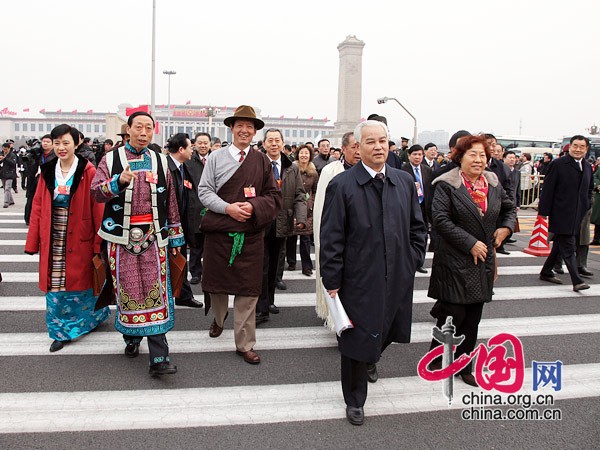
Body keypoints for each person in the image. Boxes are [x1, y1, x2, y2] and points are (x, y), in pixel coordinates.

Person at [320, 120, 427, 426]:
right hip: (358, 278)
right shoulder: (342, 185)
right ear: (358, 146)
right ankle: (354, 400)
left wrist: (413, 258)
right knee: (355, 339)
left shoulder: (403, 181)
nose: (379, 147)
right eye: (370, 142)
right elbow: (332, 237)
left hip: (396, 274)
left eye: (383, 141)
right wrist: (332, 280)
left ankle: (371, 355)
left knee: (388, 327)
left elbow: (418, 228)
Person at [91, 111, 183, 377]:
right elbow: (96, 193)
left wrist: (175, 237)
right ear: (128, 129)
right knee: (129, 294)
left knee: (157, 295)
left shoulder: (161, 161)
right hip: (121, 239)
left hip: (154, 239)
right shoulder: (110, 159)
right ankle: (131, 338)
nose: (144, 132)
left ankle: (159, 357)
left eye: (149, 128)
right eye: (138, 127)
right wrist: (117, 182)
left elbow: (171, 200)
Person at [427, 134, 516, 387]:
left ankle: (465, 365)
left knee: (473, 315)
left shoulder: (492, 183)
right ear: (460, 157)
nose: (479, 160)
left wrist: (505, 229)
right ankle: (437, 355)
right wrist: (470, 243)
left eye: (483, 155)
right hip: (454, 258)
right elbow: (440, 220)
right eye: (473, 155)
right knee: (453, 312)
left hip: (483, 259)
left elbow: (509, 209)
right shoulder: (447, 184)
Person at [198, 105, 282, 365]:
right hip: (221, 233)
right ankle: (219, 318)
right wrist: (228, 208)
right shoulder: (215, 157)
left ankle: (245, 343)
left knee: (248, 290)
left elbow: (273, 197)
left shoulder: (262, 161)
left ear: (255, 132)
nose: (245, 130)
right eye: (240, 126)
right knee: (219, 286)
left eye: (250, 126)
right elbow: (204, 191)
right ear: (232, 129)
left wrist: (253, 206)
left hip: (250, 234)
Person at [25, 124, 110, 352]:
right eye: (57, 143)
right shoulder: (47, 170)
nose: (61, 148)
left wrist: (97, 244)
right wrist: (33, 241)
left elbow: (98, 208)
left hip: (80, 235)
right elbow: (38, 207)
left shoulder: (88, 171)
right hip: (53, 235)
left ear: (76, 143)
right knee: (55, 285)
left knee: (81, 283)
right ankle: (60, 331)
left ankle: (90, 319)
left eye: (66, 143)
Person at [256, 128, 306, 324]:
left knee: (275, 266)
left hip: (282, 221)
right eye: (270, 140)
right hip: (261, 222)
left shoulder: (291, 168)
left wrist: (300, 217)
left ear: (283, 143)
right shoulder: (256, 164)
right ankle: (260, 308)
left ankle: (269, 301)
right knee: (262, 266)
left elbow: (300, 194)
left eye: (277, 140)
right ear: (265, 144)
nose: (274, 144)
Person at [314, 131, 360, 328]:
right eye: (354, 147)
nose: (358, 151)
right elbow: (321, 209)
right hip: (338, 234)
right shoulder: (331, 171)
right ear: (343, 149)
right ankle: (337, 320)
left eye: (361, 146)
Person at [538, 135, 594, 291]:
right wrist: (543, 211)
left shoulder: (587, 166)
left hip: (578, 214)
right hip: (560, 212)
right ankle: (577, 281)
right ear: (570, 146)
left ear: (586, 149)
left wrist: (587, 203)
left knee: (560, 244)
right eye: (575, 146)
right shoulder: (558, 164)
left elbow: (589, 189)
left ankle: (546, 271)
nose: (578, 149)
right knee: (569, 246)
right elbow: (548, 189)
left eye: (581, 146)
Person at [166, 133, 203, 308]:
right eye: (190, 147)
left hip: (183, 222)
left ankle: (182, 294)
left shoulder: (183, 167)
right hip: (167, 225)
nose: (192, 150)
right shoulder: (165, 167)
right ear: (181, 149)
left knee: (180, 258)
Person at [401, 144, 433, 274]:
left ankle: (419, 262)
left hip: (423, 207)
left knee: (423, 235)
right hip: (409, 207)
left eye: (420, 154)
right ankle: (407, 261)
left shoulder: (427, 170)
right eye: (414, 154)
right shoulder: (403, 170)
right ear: (409, 156)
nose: (417, 157)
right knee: (408, 235)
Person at [290, 144, 319, 276]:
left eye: (306, 153)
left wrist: (311, 201)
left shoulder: (313, 172)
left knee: (306, 238)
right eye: (302, 153)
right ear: (298, 155)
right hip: (292, 205)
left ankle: (306, 267)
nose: (304, 155)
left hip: (308, 208)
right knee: (290, 236)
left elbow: (315, 190)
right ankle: (291, 262)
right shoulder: (291, 169)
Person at [187, 132, 211, 285]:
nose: (203, 146)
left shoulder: (216, 160)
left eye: (205, 143)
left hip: (213, 208)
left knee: (211, 245)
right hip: (195, 208)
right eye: (200, 143)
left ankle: (210, 272)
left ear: (210, 144)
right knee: (195, 245)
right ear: (195, 144)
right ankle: (195, 272)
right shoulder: (189, 162)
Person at [25, 135, 56, 224]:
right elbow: (30, 167)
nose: (45, 143)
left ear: (53, 144)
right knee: (32, 198)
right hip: (35, 180)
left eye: (48, 142)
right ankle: (28, 218)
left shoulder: (55, 154)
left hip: (49, 180)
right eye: (44, 141)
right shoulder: (37, 153)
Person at [0, 142, 17, 208]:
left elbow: (13, 163)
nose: (5, 151)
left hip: (10, 174)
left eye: (6, 149)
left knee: (7, 188)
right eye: (4, 149)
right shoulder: (1, 154)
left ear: (9, 149)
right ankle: (11, 200)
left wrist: (5, 159)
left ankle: (6, 202)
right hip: (2, 173)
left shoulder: (12, 155)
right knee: (5, 189)